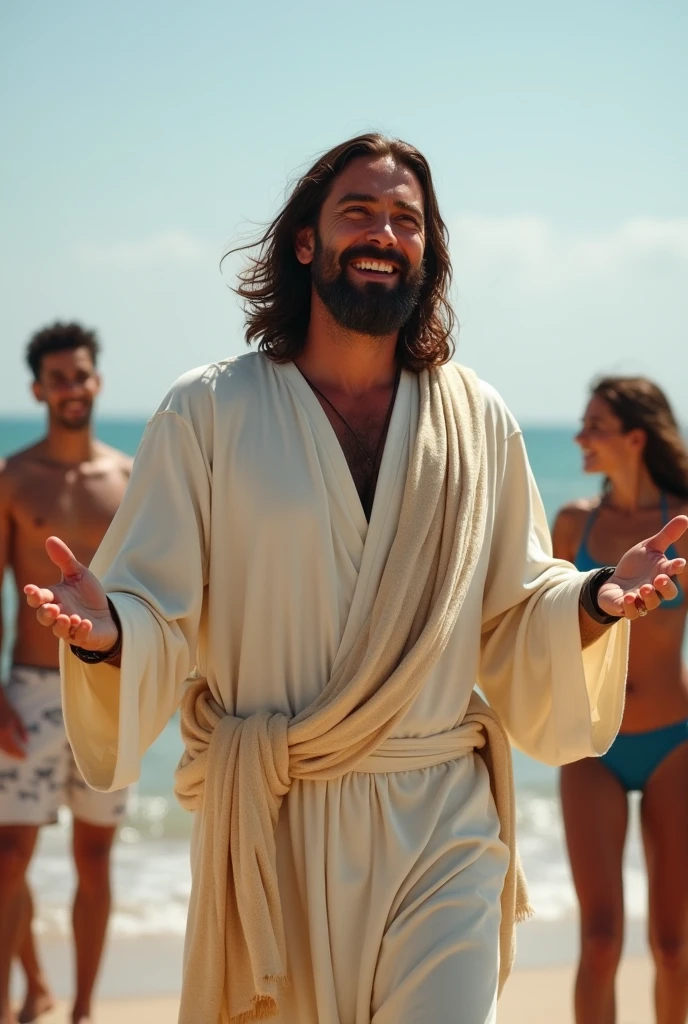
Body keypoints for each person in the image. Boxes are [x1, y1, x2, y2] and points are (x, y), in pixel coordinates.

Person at [23, 135, 687, 1024]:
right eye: (359, 212)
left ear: (427, 250)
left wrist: (597, 598)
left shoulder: (476, 418)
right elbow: (156, 606)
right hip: (276, 823)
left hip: (442, 822)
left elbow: (516, 605)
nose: (384, 232)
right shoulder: (209, 410)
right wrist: (109, 634)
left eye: (406, 219)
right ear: (307, 242)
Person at [0, 322, 132, 1024]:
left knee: (94, 856)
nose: (71, 388)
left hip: (107, 687)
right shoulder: (14, 478)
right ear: (38, 389)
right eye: (58, 378)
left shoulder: (129, 478)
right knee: (9, 859)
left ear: (96, 380)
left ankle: (79, 1010)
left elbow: (150, 597)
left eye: (81, 375)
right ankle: (23, 991)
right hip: (28, 685)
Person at [553, 376, 688, 1024]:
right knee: (601, 939)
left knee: (672, 944)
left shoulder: (684, 521)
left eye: (595, 425)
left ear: (635, 437)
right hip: (590, 744)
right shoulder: (574, 522)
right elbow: (538, 627)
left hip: (674, 745)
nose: (581, 437)